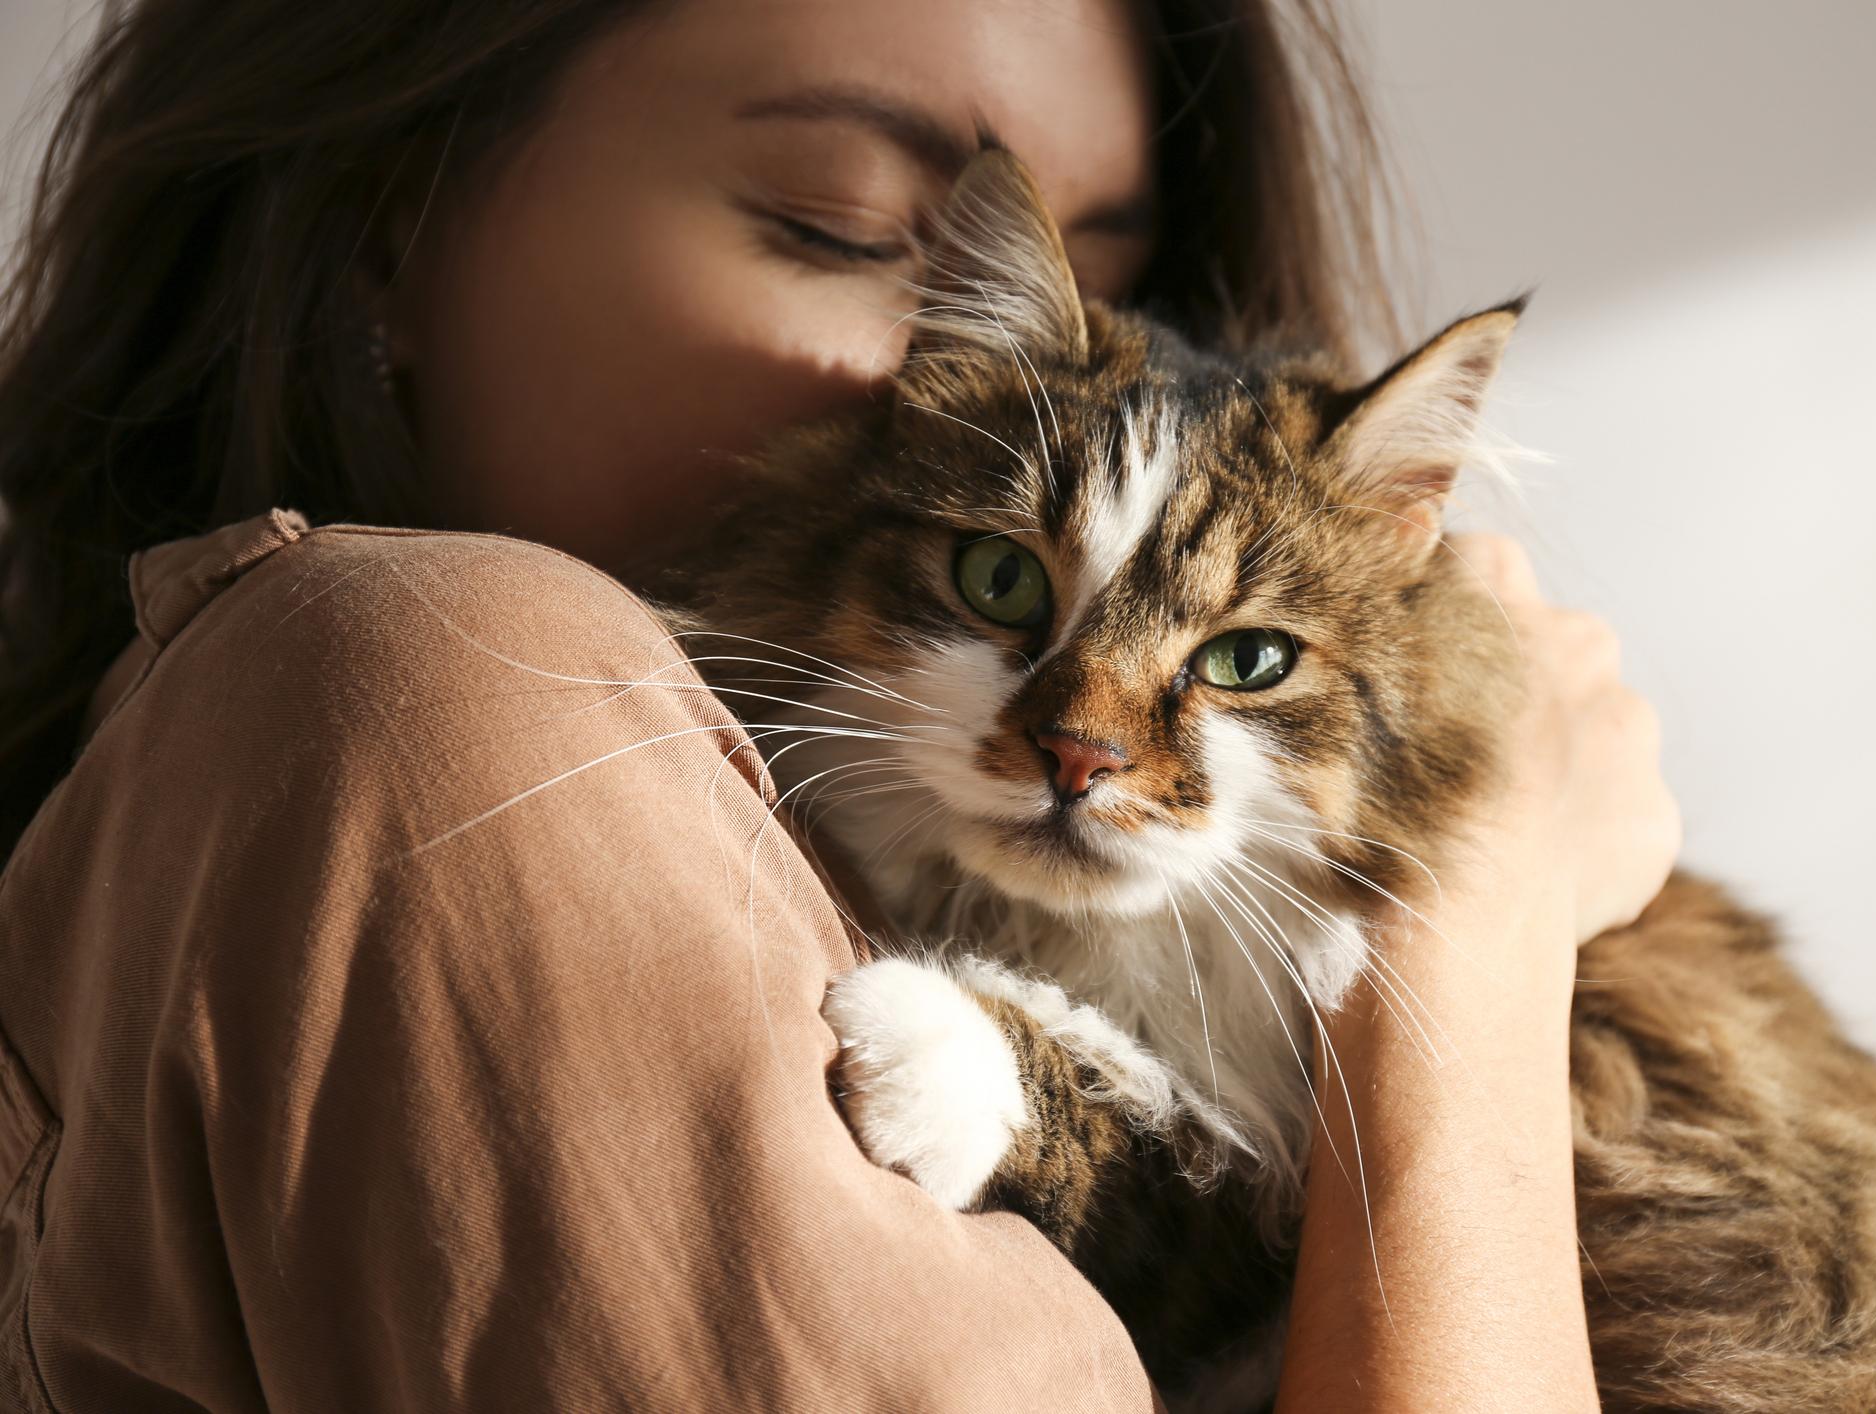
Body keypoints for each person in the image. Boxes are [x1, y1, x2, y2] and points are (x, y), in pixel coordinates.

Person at [0, 0, 1678, 1408]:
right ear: (378, 224)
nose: (976, 380)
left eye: (1108, 285)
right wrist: (1470, 937)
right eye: (858, 231)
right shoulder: (449, 692)